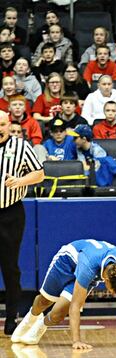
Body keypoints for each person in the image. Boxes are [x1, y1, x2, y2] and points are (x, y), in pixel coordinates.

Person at [10, 239, 116, 348]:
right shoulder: (89, 266)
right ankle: (30, 318)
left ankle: (40, 325)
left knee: (58, 313)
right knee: (44, 301)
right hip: (66, 263)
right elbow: (75, 305)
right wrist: (77, 341)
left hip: (88, 275)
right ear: (107, 280)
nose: (114, 293)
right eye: (114, 291)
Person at [0, 109, 44, 335]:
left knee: (10, 267)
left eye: (2, 124)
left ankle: (11, 318)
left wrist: (19, 181)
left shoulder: (21, 147)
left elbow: (39, 174)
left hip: (10, 213)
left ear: (9, 125)